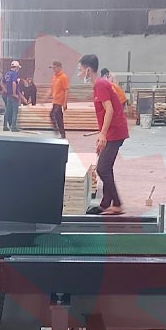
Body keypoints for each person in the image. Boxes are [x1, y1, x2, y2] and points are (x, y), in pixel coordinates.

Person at [79, 53, 130, 215]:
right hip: (113, 132)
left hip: (115, 132)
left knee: (102, 168)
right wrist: (103, 135)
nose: (79, 73)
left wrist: (103, 135)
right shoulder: (100, 84)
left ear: (88, 70)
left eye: (81, 70)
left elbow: (110, 110)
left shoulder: (100, 85)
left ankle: (117, 204)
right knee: (106, 167)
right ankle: (106, 204)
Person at [49, 60, 69, 139]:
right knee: (58, 117)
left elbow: (66, 90)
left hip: (60, 100)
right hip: (55, 100)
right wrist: (47, 96)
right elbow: (52, 88)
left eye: (55, 68)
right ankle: (62, 133)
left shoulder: (63, 77)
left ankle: (57, 130)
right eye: (53, 68)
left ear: (59, 67)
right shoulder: (54, 77)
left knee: (53, 114)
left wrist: (65, 103)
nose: (53, 70)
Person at [2, 60, 22, 132]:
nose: (18, 69)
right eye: (18, 68)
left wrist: (6, 90)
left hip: (8, 95)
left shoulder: (7, 74)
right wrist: (14, 93)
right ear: (16, 67)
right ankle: (13, 127)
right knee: (14, 112)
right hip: (13, 95)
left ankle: (5, 126)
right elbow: (14, 83)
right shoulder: (14, 74)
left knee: (7, 111)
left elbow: (2, 83)